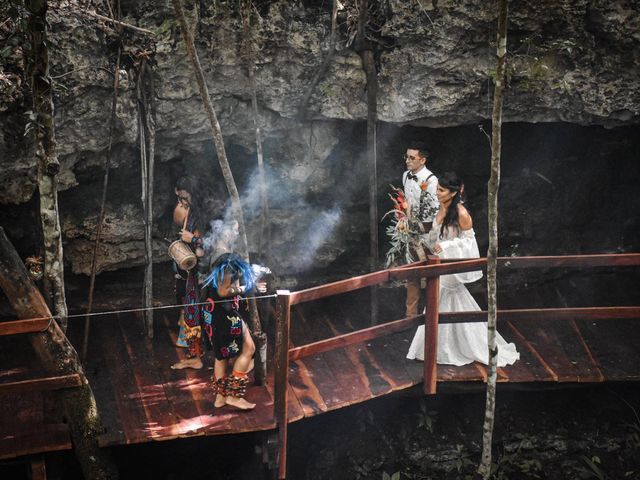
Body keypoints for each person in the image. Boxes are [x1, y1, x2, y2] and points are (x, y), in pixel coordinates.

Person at [406, 172, 520, 367]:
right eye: (438, 189)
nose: (437, 192)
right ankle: (437, 346)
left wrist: (449, 247)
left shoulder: (461, 213)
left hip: (451, 261)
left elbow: (469, 242)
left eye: (441, 190)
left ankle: (450, 347)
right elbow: (435, 235)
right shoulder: (441, 209)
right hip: (440, 261)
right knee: (441, 297)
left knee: (444, 296)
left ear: (452, 193)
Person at [201, 253, 265, 410]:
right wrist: (248, 288)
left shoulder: (222, 262)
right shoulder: (228, 266)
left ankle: (220, 397)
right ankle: (234, 396)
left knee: (220, 356)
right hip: (225, 315)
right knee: (249, 348)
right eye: (234, 229)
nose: (236, 231)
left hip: (213, 314)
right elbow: (223, 292)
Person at [171, 176, 206, 370]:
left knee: (209, 315)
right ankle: (195, 357)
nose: (182, 203)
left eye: (184, 198)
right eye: (179, 199)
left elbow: (212, 245)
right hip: (193, 272)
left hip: (207, 274)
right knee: (191, 313)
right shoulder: (191, 211)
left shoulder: (208, 214)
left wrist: (192, 239)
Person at [402, 142, 438, 317]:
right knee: (412, 272)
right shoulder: (405, 176)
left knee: (430, 273)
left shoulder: (431, 180)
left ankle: (432, 313)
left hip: (427, 232)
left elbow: (433, 209)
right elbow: (407, 202)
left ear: (422, 160)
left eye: (412, 158)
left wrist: (422, 231)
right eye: (406, 157)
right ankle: (411, 315)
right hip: (410, 230)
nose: (407, 161)